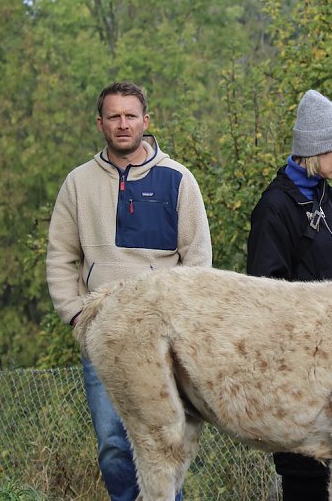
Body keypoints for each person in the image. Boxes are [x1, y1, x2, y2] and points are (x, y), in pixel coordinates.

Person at [46, 82, 211, 501]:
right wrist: (78, 315)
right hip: (104, 337)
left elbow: (198, 261)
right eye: (114, 116)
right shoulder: (78, 183)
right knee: (114, 447)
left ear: (146, 121)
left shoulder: (178, 180)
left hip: (164, 342)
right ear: (100, 123)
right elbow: (61, 255)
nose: (123, 124)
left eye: (131, 116)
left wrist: (184, 328)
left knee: (163, 445)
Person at [246, 89, 332, 500]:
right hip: (302, 372)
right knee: (305, 475)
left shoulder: (329, 198)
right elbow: (266, 291)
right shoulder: (275, 207)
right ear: (316, 150)